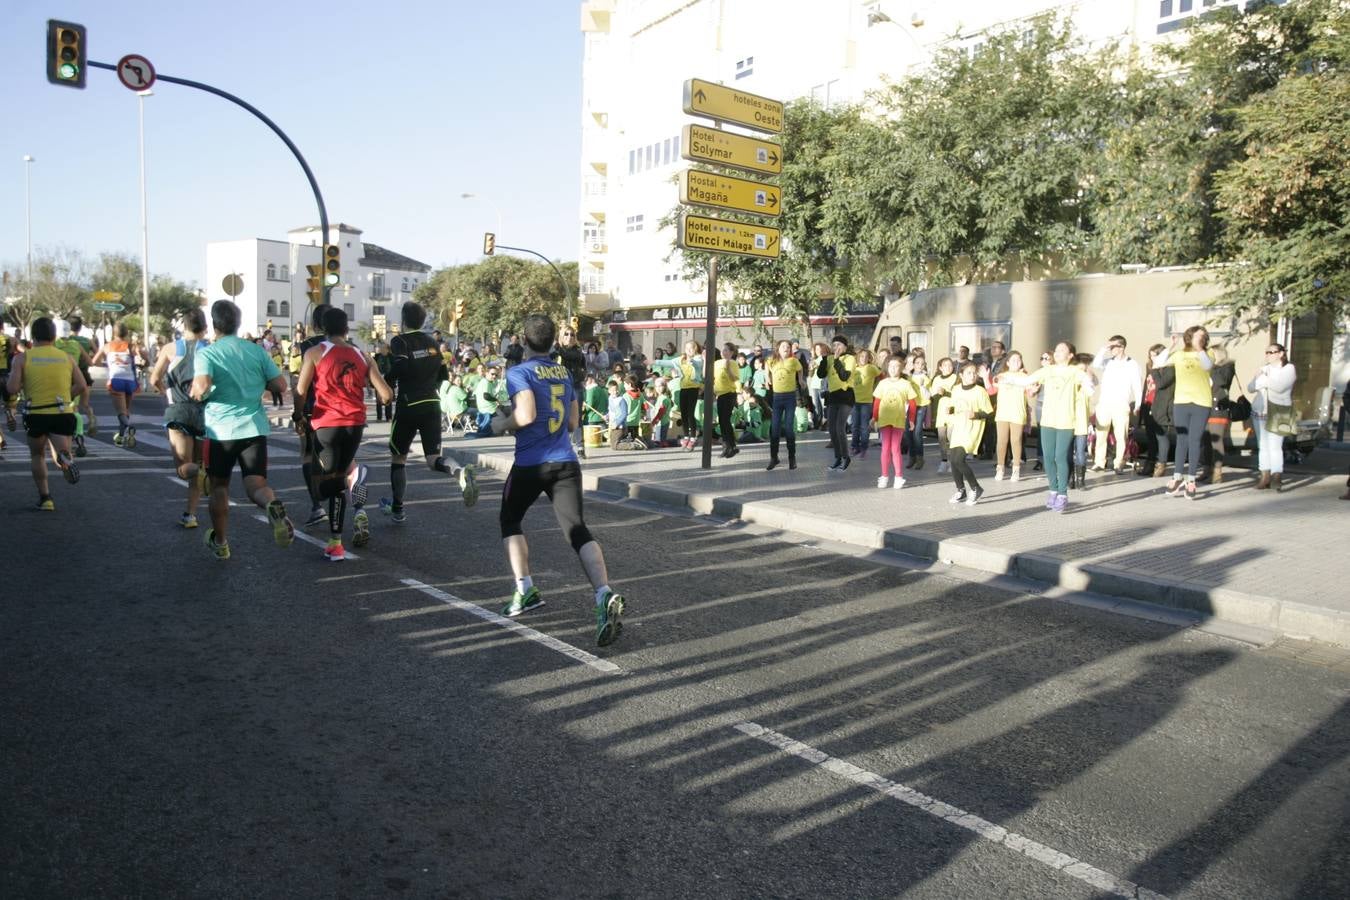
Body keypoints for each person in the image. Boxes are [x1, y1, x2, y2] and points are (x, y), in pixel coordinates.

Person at [489, 313, 626, 647]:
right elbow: (572, 422)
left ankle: (525, 590)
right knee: (577, 529)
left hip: (531, 464)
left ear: (524, 339)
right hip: (565, 460)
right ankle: (603, 594)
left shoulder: (518, 372)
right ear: (553, 341)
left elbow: (526, 415)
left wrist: (501, 424)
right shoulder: (563, 372)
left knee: (510, 520)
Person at [190, 300, 295, 559]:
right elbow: (280, 385)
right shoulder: (256, 351)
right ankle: (271, 505)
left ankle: (222, 542)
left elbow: (201, 386)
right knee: (256, 486)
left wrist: (196, 393)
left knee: (219, 488)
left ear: (214, 325)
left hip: (221, 432)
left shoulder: (208, 353)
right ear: (238, 324)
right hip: (254, 429)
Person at [295, 307, 393, 561]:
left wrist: (298, 416)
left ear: (324, 329)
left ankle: (351, 481)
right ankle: (335, 543)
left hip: (326, 424)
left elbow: (301, 390)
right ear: (347, 329)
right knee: (338, 478)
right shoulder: (362, 355)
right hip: (354, 424)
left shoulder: (315, 352)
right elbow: (386, 395)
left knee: (321, 486)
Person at [379, 302, 477, 525]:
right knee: (433, 460)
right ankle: (459, 472)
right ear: (423, 321)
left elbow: (401, 366)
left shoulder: (399, 341)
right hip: (432, 403)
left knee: (398, 457)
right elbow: (443, 374)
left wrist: (386, 380)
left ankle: (398, 509)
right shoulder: (433, 342)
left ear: (403, 320)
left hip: (408, 403)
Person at [5, 317, 85, 510]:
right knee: (60, 451)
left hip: (36, 413)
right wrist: (67, 396)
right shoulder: (66, 358)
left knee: (38, 455)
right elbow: (81, 385)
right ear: (54, 336)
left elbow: (12, 388)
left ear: (33, 336)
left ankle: (46, 498)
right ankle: (65, 459)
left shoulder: (23, 358)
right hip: (62, 412)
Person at [1002, 341, 1092, 512]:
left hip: (1066, 421)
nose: (1057, 352)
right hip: (1047, 420)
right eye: (1056, 349)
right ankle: (1053, 490)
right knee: (1048, 458)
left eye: (1062, 350)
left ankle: (1063, 494)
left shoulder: (1074, 371)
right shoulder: (1047, 370)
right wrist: (1007, 377)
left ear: (1070, 355)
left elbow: (1088, 382)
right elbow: (1027, 380)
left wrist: (1088, 385)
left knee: (1060, 457)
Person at [149, 307, 210, 528]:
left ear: (183, 327)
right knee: (198, 466)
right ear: (205, 328)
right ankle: (190, 514)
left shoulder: (170, 348)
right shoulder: (211, 349)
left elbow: (154, 378)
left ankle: (207, 474)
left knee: (184, 469)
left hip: (179, 411)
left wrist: (165, 390)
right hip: (205, 413)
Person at [1156, 327, 1214, 499]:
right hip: (1181, 401)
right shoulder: (1179, 355)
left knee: (1194, 440)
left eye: (1203, 336)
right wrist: (1171, 345)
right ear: (1189, 337)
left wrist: (1199, 349)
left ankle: (1191, 480)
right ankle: (1177, 477)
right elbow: (1158, 362)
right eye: (1197, 336)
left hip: (1201, 402)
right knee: (1181, 439)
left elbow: (1207, 365)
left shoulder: (1208, 353)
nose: (1200, 338)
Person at [292, 304, 333, 528]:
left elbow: (301, 385)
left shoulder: (306, 347)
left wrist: (297, 414)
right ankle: (357, 509)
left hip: (311, 408)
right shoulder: (344, 346)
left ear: (315, 324)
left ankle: (317, 505)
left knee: (308, 454)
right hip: (339, 411)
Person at [1247, 342, 1297, 492]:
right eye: (1266, 352)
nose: (1268, 355)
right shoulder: (1264, 369)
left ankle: (1277, 477)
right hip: (1260, 411)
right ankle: (1264, 476)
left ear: (1281, 353)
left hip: (1279, 411)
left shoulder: (1289, 368)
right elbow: (1250, 387)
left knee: (1275, 446)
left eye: (1271, 352)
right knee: (1262, 445)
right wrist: (1260, 379)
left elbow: (1280, 386)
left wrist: (1262, 381)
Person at [1091, 335, 1143, 474]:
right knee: (1101, 433)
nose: (1111, 349)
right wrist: (1103, 349)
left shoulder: (1132, 364)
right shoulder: (1108, 362)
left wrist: (1138, 404)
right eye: (1110, 346)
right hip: (1104, 403)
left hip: (1121, 403)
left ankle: (1119, 462)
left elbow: (1137, 385)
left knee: (1121, 435)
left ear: (1122, 347)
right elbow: (1096, 364)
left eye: (1114, 346)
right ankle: (1099, 462)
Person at [946, 362, 994, 505]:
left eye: (974, 373)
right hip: (959, 427)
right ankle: (961, 491)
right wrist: (951, 410)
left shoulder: (980, 391)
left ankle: (976, 488)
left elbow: (989, 413)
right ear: (961, 375)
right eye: (969, 373)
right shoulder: (956, 389)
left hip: (972, 429)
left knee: (959, 459)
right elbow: (957, 406)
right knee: (953, 460)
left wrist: (976, 414)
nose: (972, 375)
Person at [873, 354, 920, 489]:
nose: (893, 369)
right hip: (884, 419)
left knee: (895, 448)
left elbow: (912, 403)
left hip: (898, 420)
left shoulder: (906, 384)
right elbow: (877, 402)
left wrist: (911, 419)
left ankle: (898, 477)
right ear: (887, 367)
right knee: (885, 448)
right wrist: (874, 418)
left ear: (901, 368)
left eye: (897, 366)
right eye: (891, 366)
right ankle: (884, 476)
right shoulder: (882, 383)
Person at [90, 323, 140, 447]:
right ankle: (121, 436)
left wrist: (108, 364)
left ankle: (129, 428)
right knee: (126, 411)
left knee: (121, 412)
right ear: (126, 333)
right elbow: (146, 359)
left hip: (116, 380)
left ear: (114, 333)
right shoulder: (131, 346)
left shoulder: (107, 346)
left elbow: (94, 362)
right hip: (131, 381)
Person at [765, 339, 806, 471]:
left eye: (788, 347)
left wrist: (800, 380)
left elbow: (800, 370)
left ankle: (792, 458)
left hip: (790, 397)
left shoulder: (793, 361)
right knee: (774, 428)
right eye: (783, 346)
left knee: (788, 428)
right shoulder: (772, 360)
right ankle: (774, 458)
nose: (786, 348)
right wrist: (767, 378)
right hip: (777, 397)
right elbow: (766, 366)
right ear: (778, 348)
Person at [820, 335, 857, 472]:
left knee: (839, 427)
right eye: (834, 345)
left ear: (845, 347)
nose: (836, 348)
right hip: (832, 396)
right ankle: (837, 457)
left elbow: (844, 376)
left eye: (839, 345)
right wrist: (824, 359)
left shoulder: (850, 359)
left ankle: (846, 457)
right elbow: (820, 374)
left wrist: (836, 360)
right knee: (832, 429)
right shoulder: (829, 358)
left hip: (845, 395)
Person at [1201, 346, 1237, 484]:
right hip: (1206, 406)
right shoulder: (1210, 368)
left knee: (1216, 440)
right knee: (1205, 441)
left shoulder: (1227, 367)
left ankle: (1217, 472)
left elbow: (1222, 381)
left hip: (1218, 408)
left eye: (1211, 354)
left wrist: (1211, 367)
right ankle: (1206, 469)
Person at [1137, 344, 1174, 478]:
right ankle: (1150, 463)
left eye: (1155, 355)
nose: (1152, 358)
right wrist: (1141, 405)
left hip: (1162, 406)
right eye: (1150, 355)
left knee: (1161, 437)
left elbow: (1161, 384)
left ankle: (1161, 464)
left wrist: (1155, 369)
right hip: (1149, 405)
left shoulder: (1169, 368)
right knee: (1151, 437)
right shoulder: (1151, 368)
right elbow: (1146, 388)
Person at [992, 351, 1030, 481]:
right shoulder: (1002, 375)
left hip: (1017, 413)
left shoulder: (1025, 376)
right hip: (1003, 413)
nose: (1016, 362)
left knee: (1016, 440)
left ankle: (1016, 468)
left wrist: (1034, 389)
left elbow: (1030, 391)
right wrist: (989, 378)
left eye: (1019, 360)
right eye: (1013, 360)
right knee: (1001, 441)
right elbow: (992, 387)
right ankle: (1000, 467)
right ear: (1007, 363)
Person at [553, 324, 588, 458]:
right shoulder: (557, 351)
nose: (569, 337)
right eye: (566, 334)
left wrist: (583, 375)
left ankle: (580, 446)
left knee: (577, 416)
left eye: (572, 334)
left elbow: (578, 361)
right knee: (560, 416)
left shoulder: (577, 351)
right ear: (561, 336)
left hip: (575, 386)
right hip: (559, 387)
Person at [928, 357, 958, 474]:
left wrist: (945, 392)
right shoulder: (936, 379)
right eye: (945, 365)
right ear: (940, 367)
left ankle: (952, 462)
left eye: (950, 365)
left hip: (951, 411)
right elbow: (933, 397)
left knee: (951, 437)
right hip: (940, 412)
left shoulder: (955, 378)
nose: (948, 367)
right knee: (941, 438)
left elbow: (957, 393)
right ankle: (944, 461)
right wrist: (932, 414)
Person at [849, 349, 881, 458]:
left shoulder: (871, 368)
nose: (863, 358)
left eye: (866, 357)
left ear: (869, 358)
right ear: (857, 358)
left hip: (866, 402)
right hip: (854, 401)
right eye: (861, 356)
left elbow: (881, 375)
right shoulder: (854, 369)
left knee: (864, 426)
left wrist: (877, 387)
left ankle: (863, 448)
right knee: (854, 426)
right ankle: (854, 446)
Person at [713, 342, 741, 458]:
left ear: (731, 353)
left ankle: (729, 446)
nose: (723, 352)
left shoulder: (733, 363)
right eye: (722, 350)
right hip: (719, 394)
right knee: (722, 421)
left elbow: (734, 378)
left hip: (729, 393)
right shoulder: (716, 363)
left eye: (726, 350)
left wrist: (728, 368)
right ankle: (729, 446)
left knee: (725, 420)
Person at [903, 352, 930, 469]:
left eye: (922, 364)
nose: (920, 365)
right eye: (917, 363)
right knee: (908, 432)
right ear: (913, 365)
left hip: (921, 405)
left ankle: (920, 457)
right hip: (909, 406)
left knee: (917, 432)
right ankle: (912, 456)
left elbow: (928, 395)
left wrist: (923, 386)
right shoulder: (909, 378)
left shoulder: (925, 378)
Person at [677, 340, 704, 450]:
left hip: (693, 388)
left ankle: (693, 437)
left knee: (690, 414)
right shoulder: (683, 359)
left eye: (691, 348)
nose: (688, 350)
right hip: (683, 388)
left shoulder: (697, 358)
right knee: (683, 414)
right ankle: (686, 436)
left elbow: (698, 366)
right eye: (686, 348)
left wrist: (692, 361)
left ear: (695, 349)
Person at [605, 379, 629, 450]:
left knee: (614, 446)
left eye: (616, 390)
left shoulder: (621, 400)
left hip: (620, 426)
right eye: (613, 390)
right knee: (612, 443)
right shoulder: (610, 399)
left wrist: (617, 423)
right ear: (609, 391)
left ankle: (633, 444)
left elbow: (624, 414)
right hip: (613, 425)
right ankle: (627, 440)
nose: (615, 392)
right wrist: (607, 416)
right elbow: (611, 411)